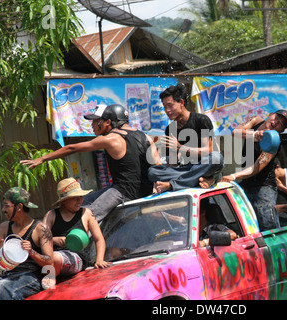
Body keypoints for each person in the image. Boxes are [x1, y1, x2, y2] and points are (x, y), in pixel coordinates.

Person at [20, 104, 160, 222]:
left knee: (87, 218)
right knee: (83, 201)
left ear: (108, 122)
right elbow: (157, 166)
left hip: (122, 192)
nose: (92, 125)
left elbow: (72, 148)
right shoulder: (146, 136)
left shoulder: (110, 138)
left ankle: (76, 249)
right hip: (145, 192)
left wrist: (42, 159)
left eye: (96, 121)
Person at [0, 188, 53, 300]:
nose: (3, 209)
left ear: (19, 207)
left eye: (7, 206)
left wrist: (31, 252)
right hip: (9, 275)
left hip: (32, 277)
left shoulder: (40, 228)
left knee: (2, 287)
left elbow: (50, 263)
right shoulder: (4, 227)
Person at [221, 109, 287, 231]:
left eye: (280, 123)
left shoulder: (274, 143)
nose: (276, 122)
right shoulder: (256, 120)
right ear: (270, 114)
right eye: (276, 117)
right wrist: (254, 135)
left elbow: (256, 168)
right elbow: (235, 132)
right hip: (246, 184)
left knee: (268, 226)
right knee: (246, 225)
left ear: (281, 131)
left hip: (264, 187)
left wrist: (234, 176)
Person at [148, 84, 224, 193]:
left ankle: (173, 184)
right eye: (164, 107)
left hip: (205, 166)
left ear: (182, 103)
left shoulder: (201, 120)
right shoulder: (170, 129)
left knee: (216, 158)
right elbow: (173, 163)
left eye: (170, 105)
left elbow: (209, 151)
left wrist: (180, 147)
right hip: (187, 169)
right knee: (153, 172)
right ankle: (202, 180)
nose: (167, 110)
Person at [43, 178, 111, 277]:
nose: (80, 200)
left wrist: (99, 260)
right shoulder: (51, 215)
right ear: (64, 201)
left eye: (81, 197)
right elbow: (40, 239)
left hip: (76, 258)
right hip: (52, 257)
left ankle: (51, 278)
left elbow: (99, 239)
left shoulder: (86, 213)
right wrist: (53, 240)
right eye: (75, 198)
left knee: (55, 258)